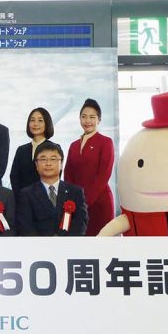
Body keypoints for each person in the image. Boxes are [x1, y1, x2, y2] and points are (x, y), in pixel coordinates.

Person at [64, 98, 114, 236]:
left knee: (101, 244)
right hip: (76, 205)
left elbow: (104, 175)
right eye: (84, 117)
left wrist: (85, 202)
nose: (87, 121)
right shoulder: (73, 145)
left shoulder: (105, 142)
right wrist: (72, 200)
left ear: (99, 120)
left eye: (92, 117)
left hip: (99, 203)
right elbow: (68, 175)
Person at [17, 141, 88, 236]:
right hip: (38, 248)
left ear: (61, 163)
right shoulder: (26, 194)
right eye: (43, 159)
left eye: (53, 159)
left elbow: (81, 223)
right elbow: (25, 227)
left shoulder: (75, 192)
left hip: (69, 248)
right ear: (36, 165)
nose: (48, 163)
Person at [9, 107, 54, 199]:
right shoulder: (21, 150)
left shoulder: (54, 149)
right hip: (22, 202)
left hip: (45, 201)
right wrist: (21, 198)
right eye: (32, 120)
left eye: (40, 120)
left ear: (47, 123)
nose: (35, 124)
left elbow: (53, 177)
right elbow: (14, 176)